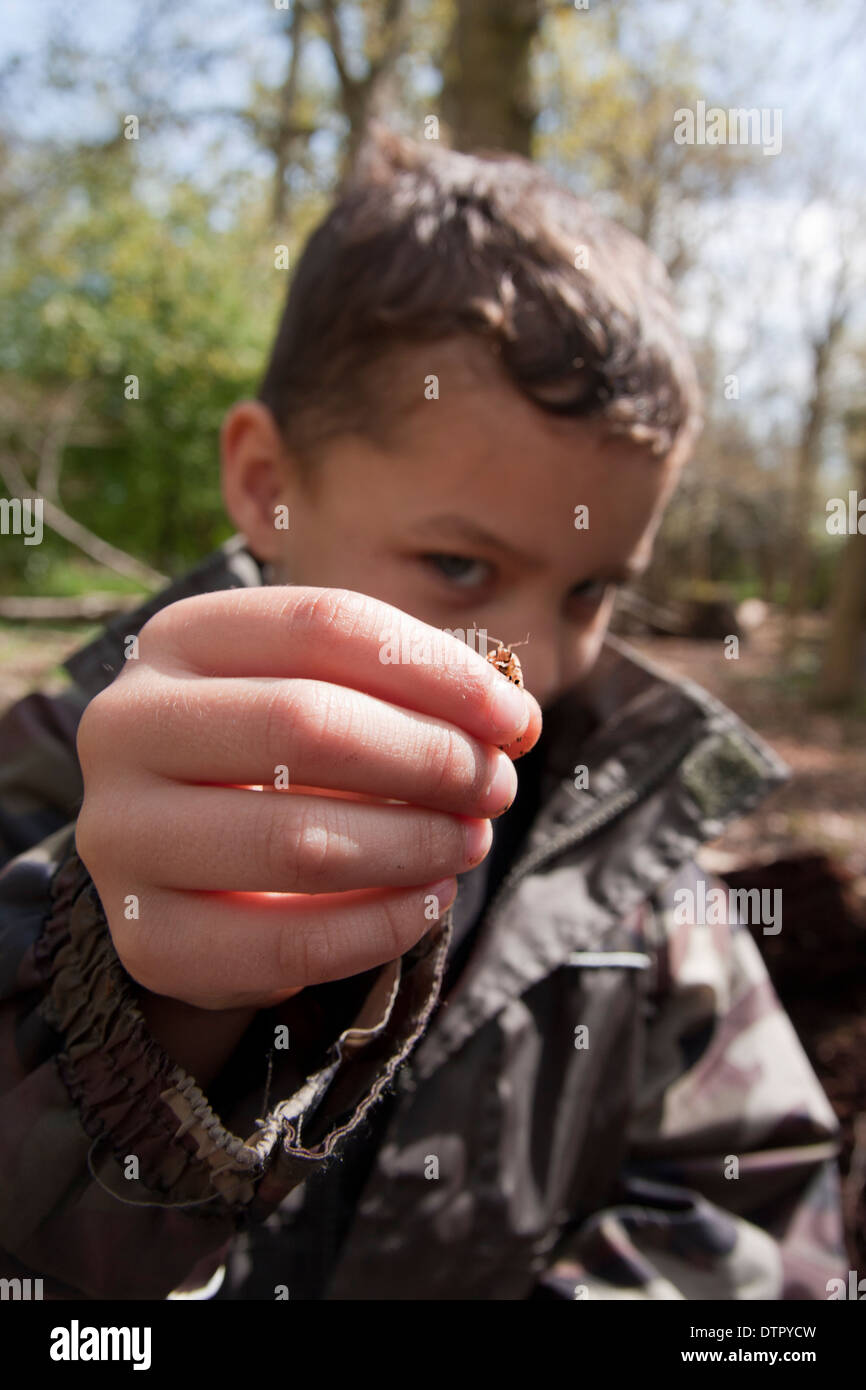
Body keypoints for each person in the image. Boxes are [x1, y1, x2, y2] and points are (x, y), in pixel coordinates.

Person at [0, 125, 847, 1300]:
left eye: (593, 588)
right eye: (457, 566)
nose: (533, 668)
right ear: (266, 484)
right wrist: (146, 1016)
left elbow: (756, 1223)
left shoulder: (636, 866)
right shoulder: (52, 782)